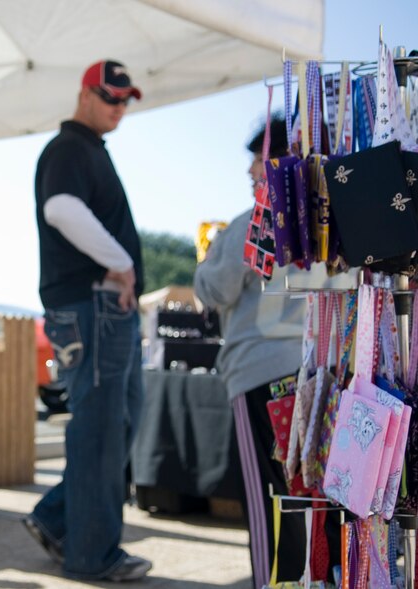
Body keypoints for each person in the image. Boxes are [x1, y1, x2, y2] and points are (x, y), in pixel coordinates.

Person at [193, 116, 334, 588]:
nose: (251, 171)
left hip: (260, 374)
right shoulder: (326, 213)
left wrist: (204, 265)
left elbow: (216, 289)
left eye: (257, 158)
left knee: (271, 501)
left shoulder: (252, 219)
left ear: (274, 160)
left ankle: (272, 584)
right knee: (316, 495)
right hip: (318, 371)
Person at [24, 60, 150, 583]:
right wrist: (120, 264)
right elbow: (62, 209)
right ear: (85, 94)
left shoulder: (86, 148)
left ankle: (58, 518)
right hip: (92, 306)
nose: (119, 107)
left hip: (99, 307)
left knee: (116, 425)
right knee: (101, 430)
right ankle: (92, 555)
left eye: (125, 99)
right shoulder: (70, 148)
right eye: (110, 97)